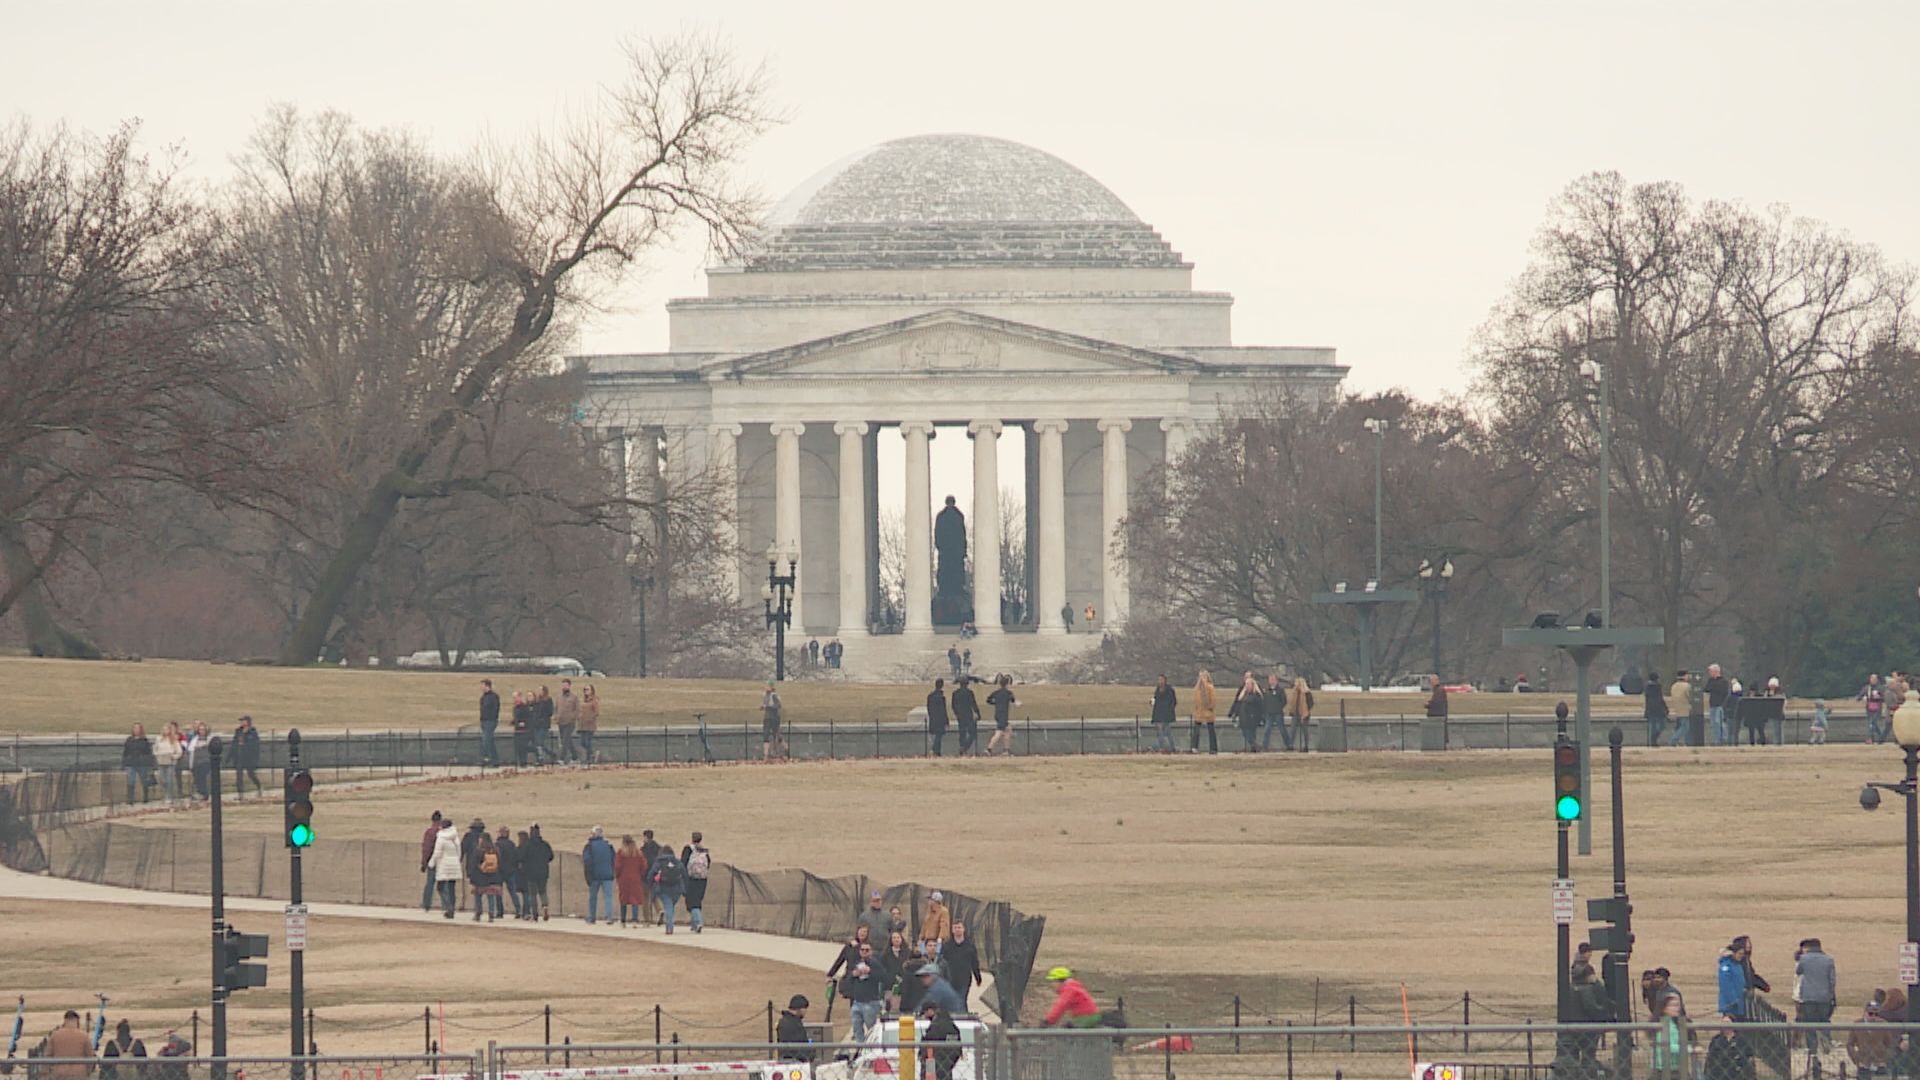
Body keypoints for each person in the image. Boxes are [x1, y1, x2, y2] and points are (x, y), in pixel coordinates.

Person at [839, 942, 886, 1044]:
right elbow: (848, 980)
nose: (864, 952)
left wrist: (870, 971)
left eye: (867, 950)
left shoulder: (875, 963)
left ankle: (872, 1049)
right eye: (862, 950)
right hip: (857, 1002)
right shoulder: (856, 963)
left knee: (871, 1031)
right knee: (857, 1030)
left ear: (871, 951)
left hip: (870, 1002)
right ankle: (860, 1049)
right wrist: (854, 974)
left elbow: (883, 977)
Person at [1795, 938, 1837, 1051]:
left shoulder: (1804, 959)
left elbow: (1798, 971)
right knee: (1824, 1021)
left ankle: (1812, 1048)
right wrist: (1832, 996)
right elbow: (1832, 980)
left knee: (1809, 1022)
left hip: (1808, 996)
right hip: (1824, 997)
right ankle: (1826, 1044)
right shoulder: (1829, 960)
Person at [1649, 993, 1691, 1080]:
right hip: (1665, 1069)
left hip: (1676, 1067)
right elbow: (1666, 1046)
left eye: (1678, 1005)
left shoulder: (1675, 1024)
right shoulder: (1662, 1025)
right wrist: (1689, 1049)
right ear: (1664, 1008)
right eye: (1673, 1005)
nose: (1677, 1008)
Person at [582, 825, 616, 926]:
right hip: (607, 874)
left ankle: (592, 917)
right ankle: (609, 917)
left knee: (593, 897)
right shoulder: (608, 845)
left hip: (595, 875)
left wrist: (588, 875)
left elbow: (587, 861)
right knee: (608, 897)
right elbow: (614, 859)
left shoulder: (589, 846)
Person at [945, 920, 983, 1011]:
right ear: (952, 930)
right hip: (950, 978)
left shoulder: (969, 946)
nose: (958, 930)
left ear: (963, 929)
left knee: (961, 1000)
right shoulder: (947, 946)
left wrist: (978, 977)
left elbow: (974, 962)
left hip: (964, 979)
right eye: (955, 928)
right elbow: (942, 962)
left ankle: (963, 1020)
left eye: (959, 927)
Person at [920, 1000, 963, 1080]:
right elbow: (957, 1050)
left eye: (924, 1013)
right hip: (947, 1067)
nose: (925, 1016)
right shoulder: (951, 1025)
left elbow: (928, 1051)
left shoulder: (936, 1026)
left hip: (933, 1065)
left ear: (930, 1011)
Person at [427, 818, 461, 918]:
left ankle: (448, 907)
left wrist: (431, 863)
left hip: (444, 865)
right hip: (454, 865)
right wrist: (456, 861)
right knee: (451, 888)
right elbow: (459, 851)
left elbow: (437, 852)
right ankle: (452, 908)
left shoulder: (441, 838)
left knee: (440, 887)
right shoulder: (455, 837)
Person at [650, 843, 686, 934]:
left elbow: (651, 874)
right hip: (677, 888)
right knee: (670, 907)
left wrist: (651, 883)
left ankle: (669, 927)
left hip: (663, 887)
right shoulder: (677, 862)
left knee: (668, 906)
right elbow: (684, 874)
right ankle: (669, 924)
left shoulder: (659, 862)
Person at [42, 1011, 89, 1079]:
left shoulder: (55, 1035)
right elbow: (90, 1055)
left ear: (65, 1021)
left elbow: (47, 1056)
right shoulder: (84, 1036)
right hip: (79, 1074)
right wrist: (87, 1071)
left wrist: (44, 1074)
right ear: (77, 1021)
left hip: (59, 1073)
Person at [468, 831, 503, 921]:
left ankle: (478, 913)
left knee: (478, 895)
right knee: (490, 896)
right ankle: (491, 914)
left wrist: (472, 875)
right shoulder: (495, 849)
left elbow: (474, 863)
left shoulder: (478, 850)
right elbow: (499, 862)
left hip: (480, 877)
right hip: (493, 876)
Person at [520, 825, 552, 920]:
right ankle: (545, 907)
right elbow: (551, 856)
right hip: (543, 872)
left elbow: (522, 857)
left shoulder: (527, 845)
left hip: (531, 873)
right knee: (543, 891)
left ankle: (535, 913)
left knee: (532, 894)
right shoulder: (545, 844)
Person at [615, 835, 648, 927]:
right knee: (635, 900)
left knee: (623, 899)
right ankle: (634, 920)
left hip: (623, 878)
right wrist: (640, 874)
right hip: (635, 878)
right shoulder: (638, 853)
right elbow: (644, 865)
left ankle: (623, 921)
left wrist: (617, 875)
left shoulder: (621, 853)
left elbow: (618, 866)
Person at [681, 831, 711, 933]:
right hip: (702, 879)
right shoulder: (704, 851)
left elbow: (683, 863)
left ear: (692, 838)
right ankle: (694, 924)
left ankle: (698, 922)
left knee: (691, 901)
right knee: (698, 900)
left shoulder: (688, 849)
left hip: (691, 878)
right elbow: (708, 864)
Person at [1228, 671, 1264, 752]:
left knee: (1251, 733)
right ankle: (1254, 746)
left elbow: (1260, 707)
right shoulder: (1242, 694)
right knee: (1246, 733)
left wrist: (1261, 717)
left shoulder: (1256, 695)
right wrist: (1233, 713)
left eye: (1249, 684)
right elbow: (1237, 703)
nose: (1247, 686)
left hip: (1252, 717)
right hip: (1243, 717)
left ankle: (1254, 746)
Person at [121, 723, 155, 805]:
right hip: (131, 763)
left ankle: (146, 797)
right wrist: (124, 762)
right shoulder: (129, 740)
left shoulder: (144, 740)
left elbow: (149, 752)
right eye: (135, 728)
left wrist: (149, 763)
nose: (136, 730)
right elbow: (125, 752)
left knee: (144, 780)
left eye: (138, 728)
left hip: (142, 763)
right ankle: (130, 799)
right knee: (130, 781)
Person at [419, 810, 445, 911]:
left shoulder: (430, 832)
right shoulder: (444, 832)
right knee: (444, 884)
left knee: (430, 883)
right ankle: (446, 905)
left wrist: (424, 863)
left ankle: (426, 904)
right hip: (443, 861)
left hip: (432, 861)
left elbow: (426, 848)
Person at [231, 715, 263, 796]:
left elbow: (255, 745)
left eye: (243, 721)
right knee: (239, 776)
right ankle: (240, 793)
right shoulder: (238, 731)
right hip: (239, 757)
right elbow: (234, 743)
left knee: (251, 774)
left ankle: (259, 786)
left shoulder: (252, 732)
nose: (242, 722)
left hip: (249, 758)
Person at [495, 825, 522, 919]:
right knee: (513, 892)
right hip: (511, 871)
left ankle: (500, 911)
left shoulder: (497, 844)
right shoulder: (511, 844)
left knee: (498, 893)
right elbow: (517, 857)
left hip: (499, 871)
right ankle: (518, 910)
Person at [986, 675, 1017, 756]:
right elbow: (1013, 700)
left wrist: (995, 703)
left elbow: (988, 700)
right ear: (1007, 684)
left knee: (1007, 731)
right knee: (999, 733)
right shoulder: (1008, 693)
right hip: (1004, 714)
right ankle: (989, 748)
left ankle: (1006, 750)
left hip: (998, 714)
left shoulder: (996, 693)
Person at [775, 995, 812, 1063]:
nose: (805, 1012)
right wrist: (810, 1055)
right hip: (796, 1061)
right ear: (800, 1009)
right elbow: (800, 1046)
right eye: (805, 1008)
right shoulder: (794, 1024)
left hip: (785, 1060)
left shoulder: (783, 1021)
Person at [153, 721, 183, 803]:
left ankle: (168, 796)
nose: (165, 731)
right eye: (164, 729)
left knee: (169, 779)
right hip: (161, 762)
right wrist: (157, 755)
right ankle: (166, 793)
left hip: (170, 762)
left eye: (167, 729)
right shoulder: (158, 739)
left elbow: (179, 751)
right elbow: (155, 749)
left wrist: (174, 756)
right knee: (163, 779)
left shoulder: (174, 740)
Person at [1191, 670, 1219, 754]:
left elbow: (1213, 700)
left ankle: (1213, 748)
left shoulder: (1210, 687)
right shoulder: (1197, 689)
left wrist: (1210, 708)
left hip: (1208, 712)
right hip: (1199, 712)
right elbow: (1195, 700)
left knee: (1211, 730)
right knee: (1196, 730)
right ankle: (1194, 747)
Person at [951, 677, 980, 755]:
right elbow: (973, 704)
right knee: (972, 733)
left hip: (960, 715)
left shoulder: (955, 693)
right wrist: (978, 713)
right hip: (968, 714)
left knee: (962, 733)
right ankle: (964, 748)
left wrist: (956, 713)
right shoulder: (969, 693)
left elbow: (953, 705)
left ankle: (962, 747)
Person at [1150, 675, 1177, 753]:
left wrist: (1168, 710)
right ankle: (1169, 747)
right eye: (1159, 680)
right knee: (1163, 732)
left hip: (1166, 715)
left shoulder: (1170, 690)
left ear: (1165, 681)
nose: (1160, 681)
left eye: (1161, 680)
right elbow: (1155, 699)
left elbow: (1173, 702)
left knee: (1164, 732)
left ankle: (1161, 747)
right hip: (1158, 715)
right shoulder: (1157, 690)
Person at [555, 679, 580, 764]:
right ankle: (575, 756)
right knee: (567, 740)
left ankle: (561, 758)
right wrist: (556, 716)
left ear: (569, 686)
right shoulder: (559, 697)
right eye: (563, 685)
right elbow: (556, 708)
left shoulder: (574, 697)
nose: (564, 687)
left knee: (565, 740)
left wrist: (573, 717)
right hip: (561, 722)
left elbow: (577, 709)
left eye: (566, 685)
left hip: (570, 722)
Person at [1263, 673, 1290, 750]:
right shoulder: (1266, 690)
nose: (1271, 681)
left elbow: (1284, 701)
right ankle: (1265, 746)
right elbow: (1264, 701)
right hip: (1269, 714)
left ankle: (1288, 744)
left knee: (1282, 730)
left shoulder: (1280, 690)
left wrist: (1278, 708)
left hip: (1278, 714)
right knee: (1267, 729)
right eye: (1270, 680)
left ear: (1276, 681)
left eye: (1273, 679)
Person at [1706, 664, 1731, 745]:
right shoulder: (1710, 680)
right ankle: (1717, 740)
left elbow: (1724, 691)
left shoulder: (1723, 681)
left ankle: (1724, 738)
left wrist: (1714, 688)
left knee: (1719, 722)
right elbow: (1707, 689)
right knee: (1713, 724)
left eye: (1711, 671)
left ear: (1716, 671)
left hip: (1720, 705)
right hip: (1712, 704)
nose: (1709, 673)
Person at [1287, 677, 1314, 753]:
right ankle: (1290, 745)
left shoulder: (1307, 693)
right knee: (1293, 730)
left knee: (1305, 731)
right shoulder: (1294, 692)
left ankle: (1306, 746)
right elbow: (1292, 702)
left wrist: (1306, 711)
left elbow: (1311, 703)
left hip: (1304, 714)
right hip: (1295, 714)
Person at [478, 679, 501, 766]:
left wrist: (492, 718)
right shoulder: (483, 697)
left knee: (486, 741)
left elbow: (495, 709)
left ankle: (488, 758)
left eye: (483, 685)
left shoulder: (494, 696)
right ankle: (494, 760)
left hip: (490, 721)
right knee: (490, 741)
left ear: (487, 686)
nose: (481, 688)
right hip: (484, 721)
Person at [1860, 673, 1888, 744]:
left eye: (1874, 679)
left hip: (1877, 707)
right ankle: (1879, 737)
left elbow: (1884, 697)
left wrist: (1878, 697)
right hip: (1869, 707)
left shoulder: (1881, 688)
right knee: (1872, 723)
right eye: (1871, 679)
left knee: (1873, 723)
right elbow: (1861, 694)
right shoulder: (1867, 688)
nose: (1873, 680)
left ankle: (1872, 738)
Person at [1644, 670, 1669, 747]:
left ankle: (1652, 741)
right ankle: (1654, 738)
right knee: (1661, 725)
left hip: (1650, 709)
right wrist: (1666, 708)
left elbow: (1647, 700)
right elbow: (1660, 699)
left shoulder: (1647, 687)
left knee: (1652, 726)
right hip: (1658, 709)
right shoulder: (1658, 687)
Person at [926, 678, 951, 756]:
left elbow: (928, 708)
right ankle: (935, 750)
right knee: (939, 736)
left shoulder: (930, 696)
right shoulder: (941, 697)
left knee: (937, 736)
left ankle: (937, 751)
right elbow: (943, 710)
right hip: (940, 719)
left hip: (933, 718)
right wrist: (946, 720)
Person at [761, 682, 785, 760]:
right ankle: (766, 755)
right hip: (767, 718)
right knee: (766, 736)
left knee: (777, 735)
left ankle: (784, 750)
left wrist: (767, 707)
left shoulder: (774, 695)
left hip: (774, 718)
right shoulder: (765, 695)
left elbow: (778, 706)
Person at [532, 686, 555, 763]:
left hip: (544, 724)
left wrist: (542, 717)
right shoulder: (537, 701)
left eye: (540, 690)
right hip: (536, 724)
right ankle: (551, 753)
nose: (539, 692)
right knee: (538, 743)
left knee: (540, 742)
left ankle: (540, 758)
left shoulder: (548, 700)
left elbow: (550, 712)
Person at [577, 684, 599, 764]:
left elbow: (596, 712)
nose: (586, 691)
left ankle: (591, 756)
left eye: (588, 689)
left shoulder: (594, 700)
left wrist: (590, 719)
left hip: (590, 725)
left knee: (587, 741)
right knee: (582, 742)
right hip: (582, 725)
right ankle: (590, 755)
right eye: (585, 689)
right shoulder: (583, 700)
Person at [510, 692, 532, 767]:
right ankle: (518, 762)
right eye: (513, 698)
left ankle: (523, 763)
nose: (514, 699)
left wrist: (524, 723)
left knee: (523, 748)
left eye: (516, 697)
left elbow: (528, 718)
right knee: (517, 748)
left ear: (520, 697)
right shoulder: (515, 708)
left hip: (524, 731)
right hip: (517, 731)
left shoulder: (524, 707)